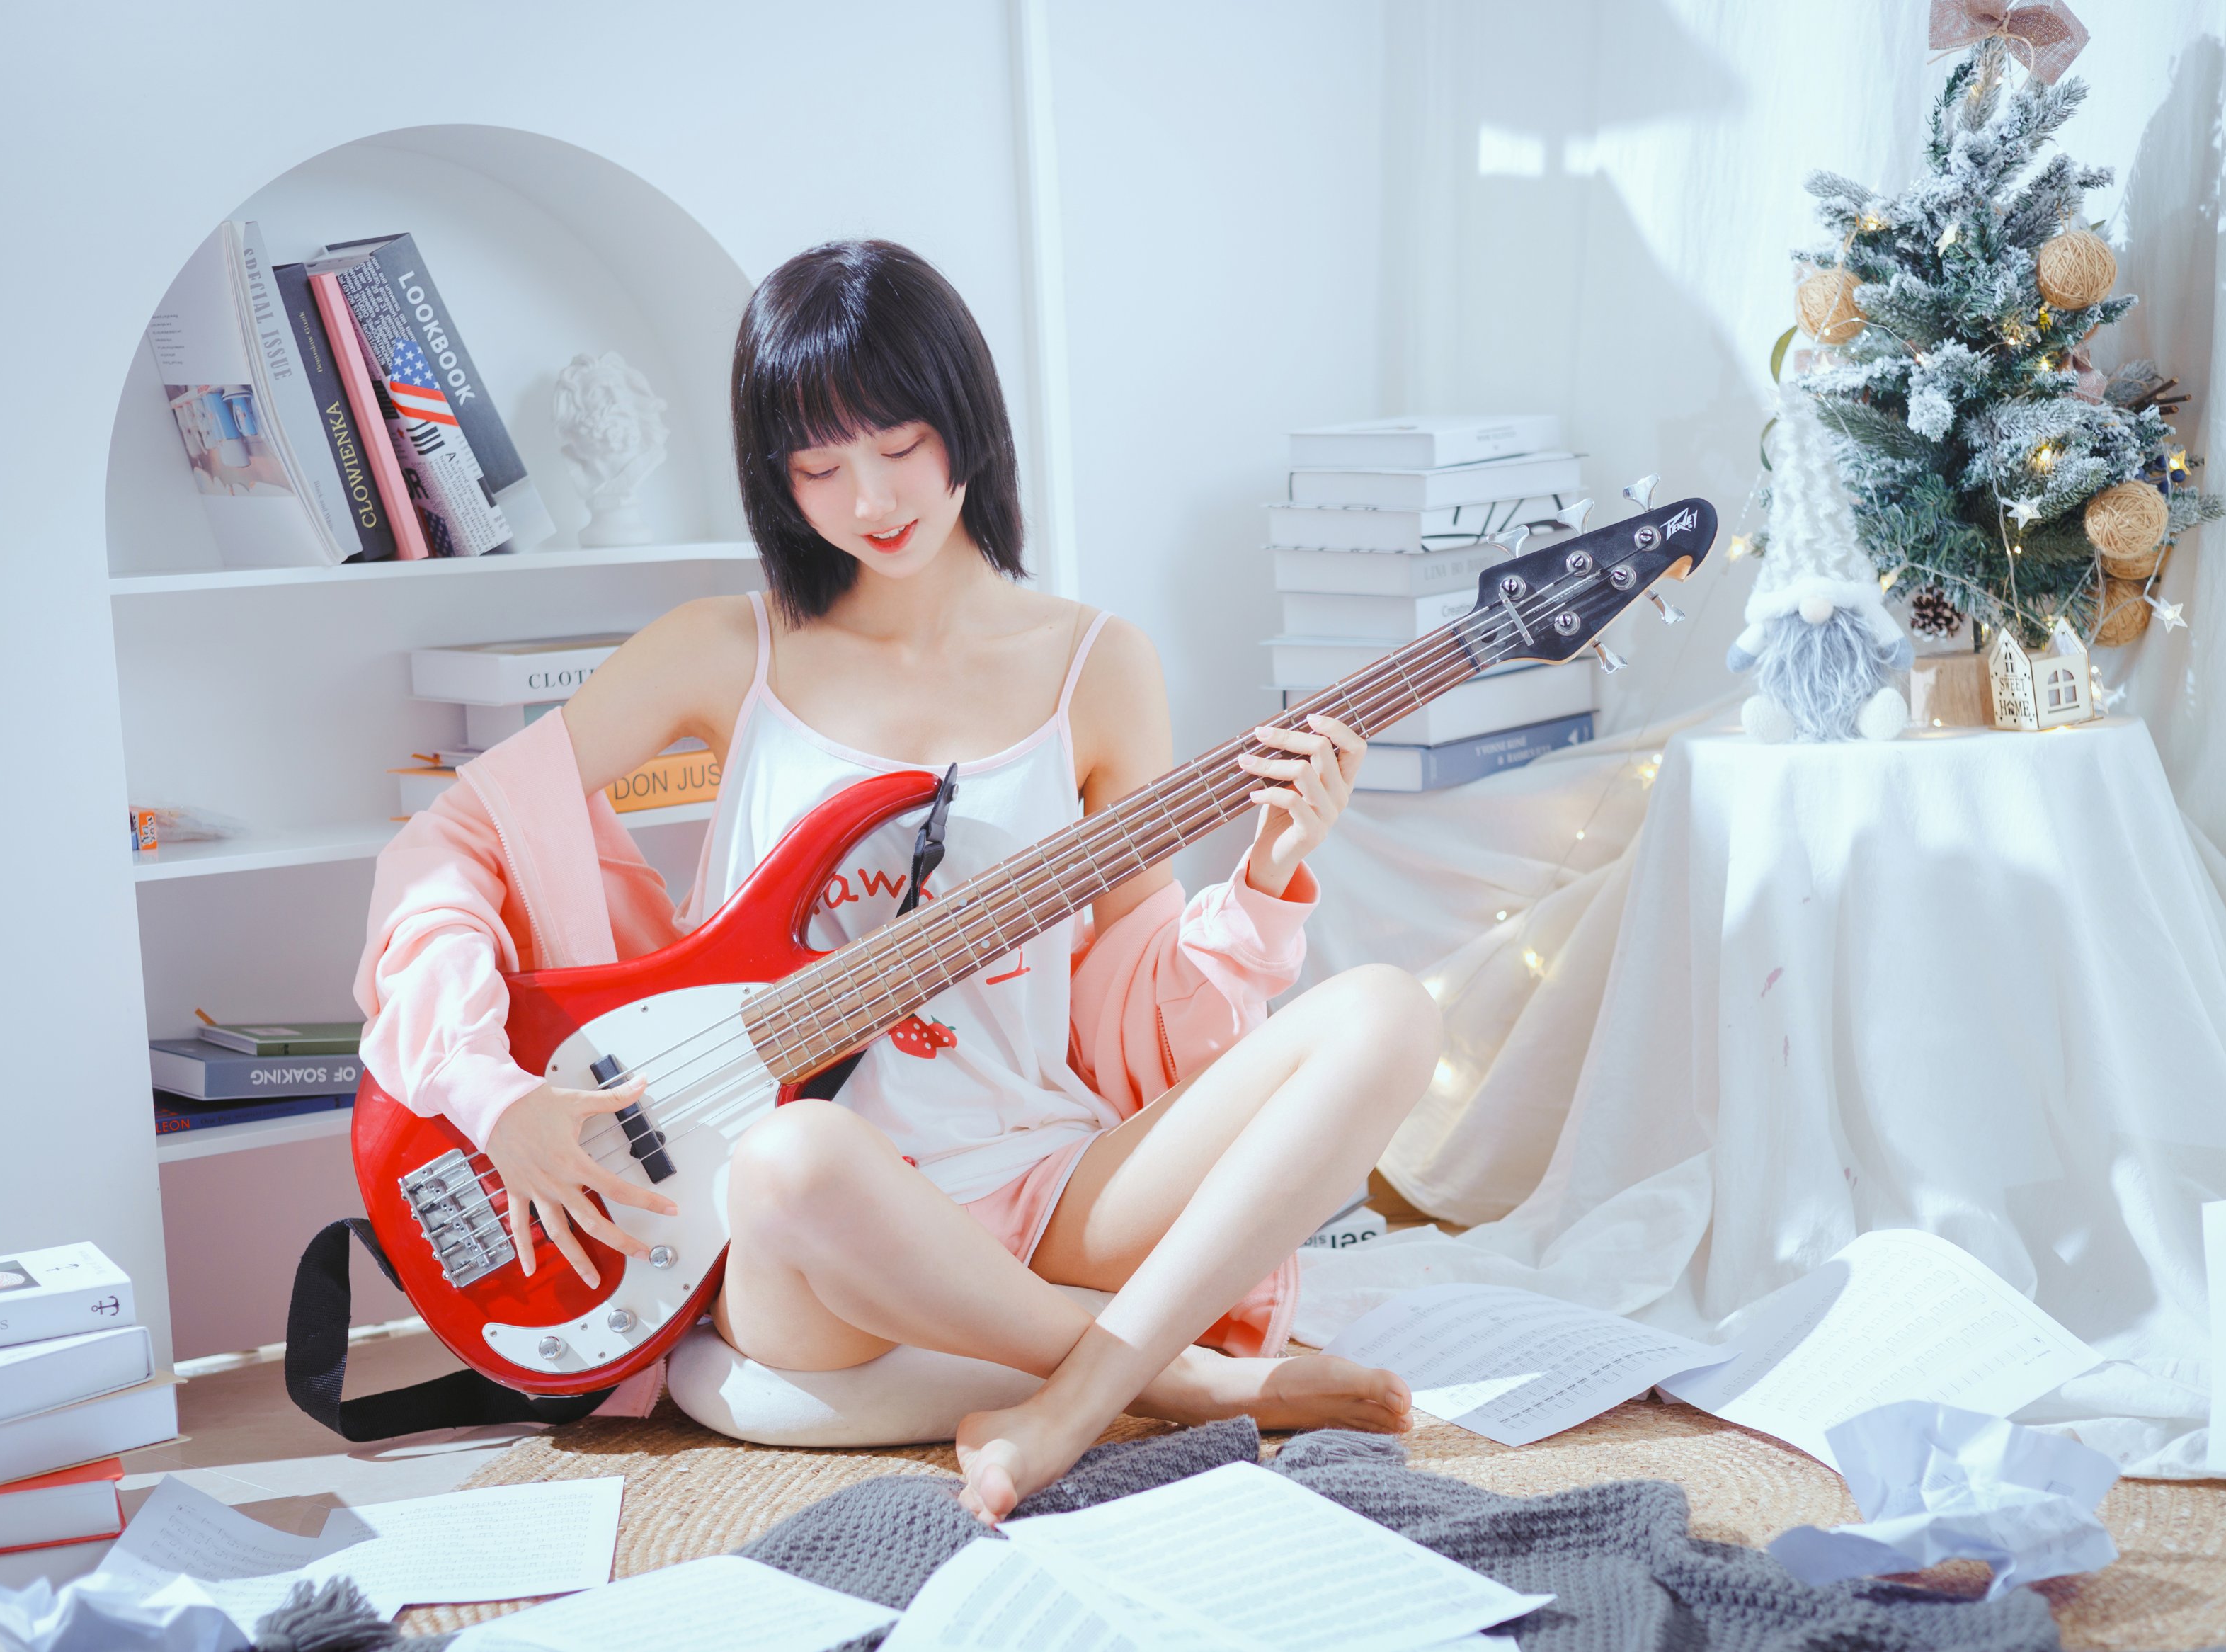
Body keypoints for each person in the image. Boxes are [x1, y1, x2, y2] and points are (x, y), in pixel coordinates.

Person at [357, 240, 1440, 1522]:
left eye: (899, 443)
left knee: (1389, 1013)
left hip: (1045, 1185)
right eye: (818, 467)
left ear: (964, 417)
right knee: (793, 1155)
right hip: (811, 1234)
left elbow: (1132, 996)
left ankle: (1072, 1400)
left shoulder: (1098, 665)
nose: (868, 498)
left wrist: (1268, 869)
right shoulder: (724, 649)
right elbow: (450, 841)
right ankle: (1183, 1377)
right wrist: (489, 1094)